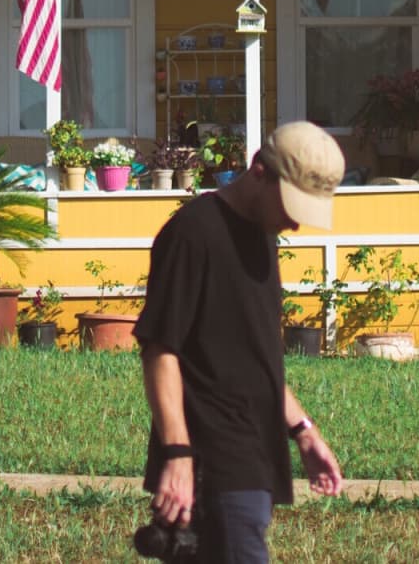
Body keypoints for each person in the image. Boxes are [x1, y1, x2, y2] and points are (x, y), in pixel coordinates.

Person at [135, 121, 346, 563]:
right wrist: (178, 453)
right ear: (258, 170)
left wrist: (303, 431)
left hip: (256, 456)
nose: (295, 222)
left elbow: (255, 357)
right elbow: (160, 349)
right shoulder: (194, 233)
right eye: (290, 204)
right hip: (214, 462)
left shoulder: (263, 237)